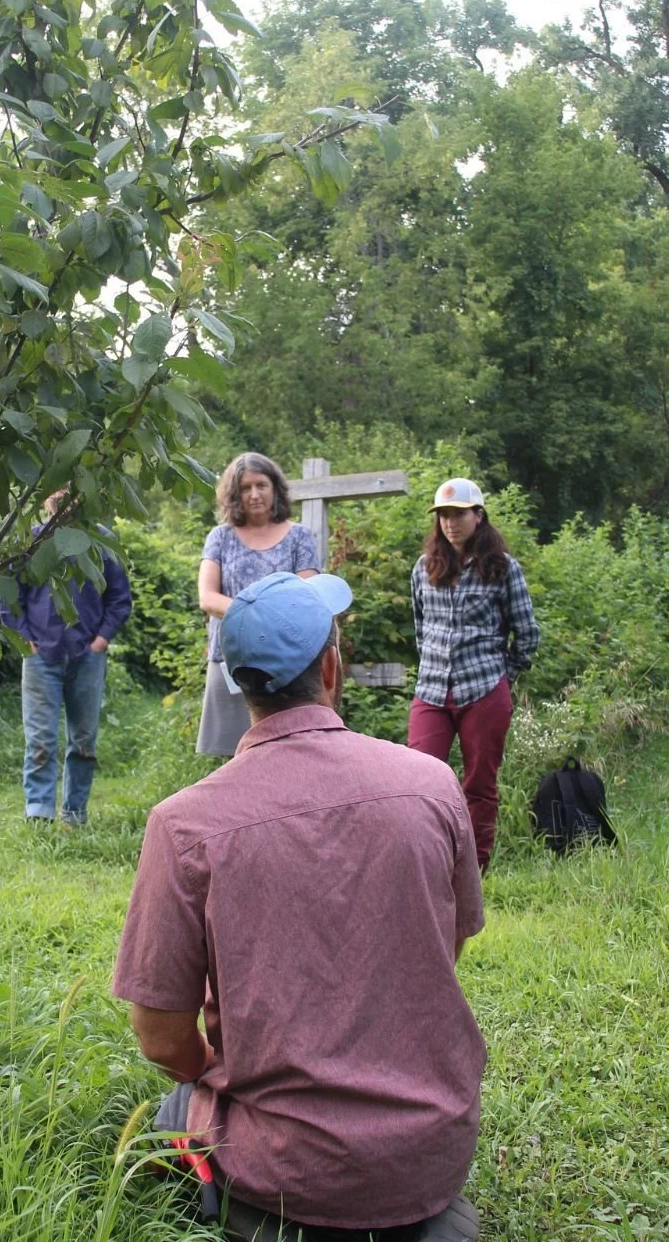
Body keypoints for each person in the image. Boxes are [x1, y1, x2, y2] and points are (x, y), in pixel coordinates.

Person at [113, 571, 486, 1242]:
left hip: (278, 1170)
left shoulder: (183, 824)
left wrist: (219, 1076)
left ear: (236, 683)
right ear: (331, 667)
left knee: (174, 1104)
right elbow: (444, 949)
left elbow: (161, 1038)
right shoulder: (432, 786)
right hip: (429, 1159)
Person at [407, 476, 540, 872]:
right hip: (431, 690)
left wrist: (503, 676)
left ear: (478, 516)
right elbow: (420, 627)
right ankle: (427, 862)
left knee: (479, 784)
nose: (450, 523)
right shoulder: (424, 567)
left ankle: (474, 868)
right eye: (444, 516)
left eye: (459, 514)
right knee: (419, 780)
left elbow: (527, 633)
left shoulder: (502, 568)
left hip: (483, 690)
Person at [0, 491, 132, 825]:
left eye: (73, 491)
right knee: (40, 740)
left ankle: (75, 814)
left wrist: (101, 641)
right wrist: (26, 639)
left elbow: (119, 598)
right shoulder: (31, 541)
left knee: (84, 740)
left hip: (87, 654)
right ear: (46, 498)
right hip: (41, 655)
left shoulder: (102, 541)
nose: (65, 499)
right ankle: (39, 815)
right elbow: (9, 597)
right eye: (58, 491)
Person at [196, 452, 319, 757]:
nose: (254, 494)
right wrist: (256, 611)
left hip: (286, 656)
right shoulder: (220, 537)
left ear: (275, 488)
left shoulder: (300, 537)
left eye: (261, 485)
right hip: (230, 656)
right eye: (245, 488)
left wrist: (264, 615)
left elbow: (308, 595)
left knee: (285, 749)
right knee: (232, 754)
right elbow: (207, 597)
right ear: (234, 495)